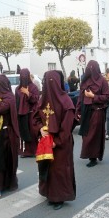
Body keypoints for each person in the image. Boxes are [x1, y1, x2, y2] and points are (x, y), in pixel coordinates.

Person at [33, 70, 76, 210]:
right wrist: (40, 129)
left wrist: (56, 141)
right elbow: (35, 118)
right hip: (46, 141)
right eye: (47, 82)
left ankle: (59, 196)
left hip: (60, 144)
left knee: (59, 170)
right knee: (46, 168)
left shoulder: (66, 101)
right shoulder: (42, 100)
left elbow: (67, 127)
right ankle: (48, 192)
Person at [76, 60, 109, 167]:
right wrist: (78, 111)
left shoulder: (102, 81)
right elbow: (80, 98)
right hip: (86, 111)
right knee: (86, 135)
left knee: (93, 135)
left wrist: (93, 97)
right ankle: (89, 155)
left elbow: (107, 97)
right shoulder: (85, 81)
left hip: (97, 111)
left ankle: (94, 156)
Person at [15, 68, 39, 158]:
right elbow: (16, 101)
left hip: (31, 113)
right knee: (23, 132)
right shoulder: (17, 89)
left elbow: (36, 99)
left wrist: (28, 93)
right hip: (21, 114)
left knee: (32, 132)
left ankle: (33, 151)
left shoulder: (33, 87)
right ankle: (24, 152)